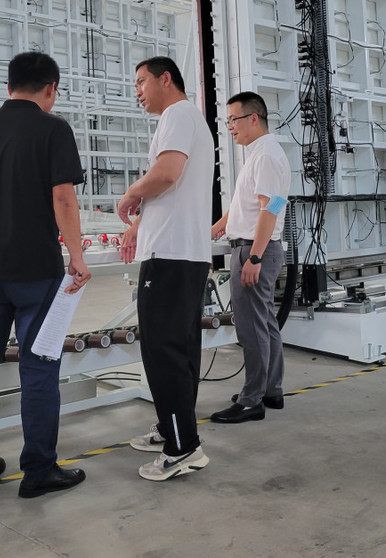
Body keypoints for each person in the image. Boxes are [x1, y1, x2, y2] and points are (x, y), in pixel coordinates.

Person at [0, 51, 92, 498]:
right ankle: (39, 471)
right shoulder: (54, 129)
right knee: (39, 368)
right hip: (35, 273)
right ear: (51, 88)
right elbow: (63, 198)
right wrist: (76, 255)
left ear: (8, 87)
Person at [117, 56, 214, 481]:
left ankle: (182, 447)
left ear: (166, 79)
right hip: (185, 252)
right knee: (182, 349)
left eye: (141, 81)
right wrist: (141, 222)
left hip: (170, 255)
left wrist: (131, 194)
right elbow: (175, 186)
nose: (137, 91)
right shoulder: (189, 118)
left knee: (163, 352)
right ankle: (173, 427)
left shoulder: (176, 114)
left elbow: (167, 173)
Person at [209, 92, 291, 424]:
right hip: (256, 247)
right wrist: (218, 227)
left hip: (255, 249)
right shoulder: (262, 153)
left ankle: (251, 400)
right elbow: (256, 203)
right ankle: (271, 389)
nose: (229, 126)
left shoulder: (266, 155)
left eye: (233, 119)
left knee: (252, 328)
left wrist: (254, 257)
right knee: (265, 323)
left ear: (253, 118)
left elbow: (269, 209)